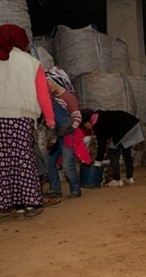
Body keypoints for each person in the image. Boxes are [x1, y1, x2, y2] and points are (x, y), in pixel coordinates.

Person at [0, 24, 55, 219]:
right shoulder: (31, 63)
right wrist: (50, 120)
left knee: (3, 163)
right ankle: (30, 204)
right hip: (21, 118)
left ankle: (17, 207)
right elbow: (43, 95)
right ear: (21, 39)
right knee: (24, 161)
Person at [44, 66, 87, 200]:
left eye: (48, 82)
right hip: (58, 136)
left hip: (68, 136)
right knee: (49, 161)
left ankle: (75, 189)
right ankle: (55, 189)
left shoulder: (68, 98)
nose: (46, 85)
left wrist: (70, 130)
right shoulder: (52, 98)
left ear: (55, 81)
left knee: (68, 165)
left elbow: (77, 116)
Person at [81, 109, 142, 187]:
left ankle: (117, 180)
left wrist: (98, 160)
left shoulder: (97, 125)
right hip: (133, 124)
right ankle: (129, 178)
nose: (86, 127)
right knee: (126, 152)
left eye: (84, 125)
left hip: (124, 129)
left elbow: (102, 144)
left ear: (87, 121)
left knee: (113, 152)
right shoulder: (101, 115)